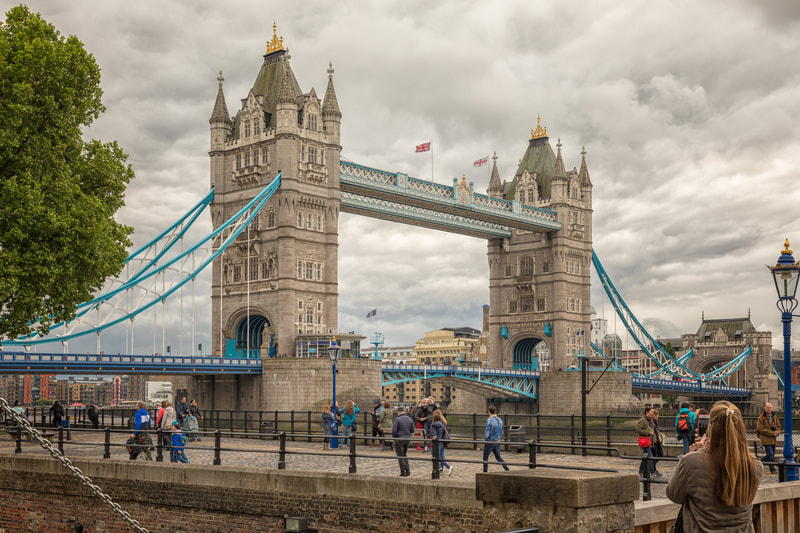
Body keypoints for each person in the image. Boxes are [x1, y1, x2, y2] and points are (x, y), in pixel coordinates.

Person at [666, 401, 762, 531]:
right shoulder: (755, 466)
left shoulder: (691, 462)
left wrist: (695, 453)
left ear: (710, 427)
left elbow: (674, 495)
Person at [483, 405, 509, 472]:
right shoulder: (500, 420)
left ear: (489, 412)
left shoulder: (489, 420)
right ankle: (506, 468)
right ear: (495, 412)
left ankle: (485, 472)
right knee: (498, 457)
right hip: (497, 441)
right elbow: (501, 432)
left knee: (485, 458)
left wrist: (485, 440)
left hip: (489, 442)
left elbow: (487, 433)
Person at [757, 402, 781, 474]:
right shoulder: (761, 418)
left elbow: (779, 426)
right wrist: (771, 433)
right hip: (765, 439)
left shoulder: (774, 417)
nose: (769, 409)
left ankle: (759, 463)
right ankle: (772, 469)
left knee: (771, 455)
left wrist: (777, 432)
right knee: (770, 454)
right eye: (768, 408)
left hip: (773, 439)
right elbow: (760, 429)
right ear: (765, 408)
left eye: (770, 408)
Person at [391, 406, 415, 477]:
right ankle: (407, 469)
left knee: (400, 456)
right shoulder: (410, 419)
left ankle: (403, 472)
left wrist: (394, 438)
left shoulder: (397, 419)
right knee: (404, 454)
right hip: (407, 439)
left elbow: (394, 430)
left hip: (399, 439)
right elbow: (412, 430)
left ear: (398, 412)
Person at [637, 406, 658, 478]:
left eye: (653, 412)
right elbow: (639, 430)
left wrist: (654, 438)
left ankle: (641, 471)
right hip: (645, 441)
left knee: (645, 457)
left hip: (650, 441)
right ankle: (652, 472)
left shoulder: (651, 420)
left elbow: (652, 430)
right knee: (650, 456)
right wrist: (647, 433)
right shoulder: (642, 420)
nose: (652, 413)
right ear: (647, 412)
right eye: (651, 412)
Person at [430, 409, 453, 476]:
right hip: (442, 442)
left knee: (436, 456)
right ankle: (440, 468)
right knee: (442, 456)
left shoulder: (434, 425)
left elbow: (434, 436)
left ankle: (448, 467)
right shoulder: (442, 424)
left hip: (437, 443)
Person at [649, 408, 665, 477]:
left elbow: (656, 430)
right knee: (654, 456)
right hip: (654, 441)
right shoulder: (651, 422)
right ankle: (653, 469)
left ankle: (652, 467)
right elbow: (651, 430)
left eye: (657, 415)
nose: (657, 416)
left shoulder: (655, 422)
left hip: (657, 441)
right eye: (656, 415)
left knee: (660, 454)